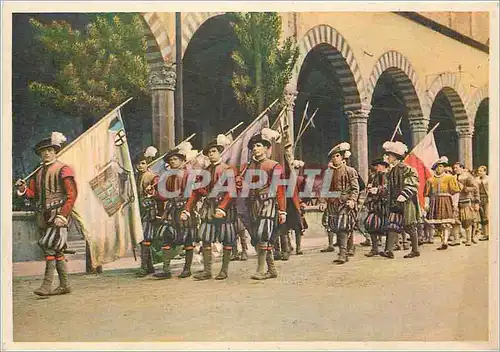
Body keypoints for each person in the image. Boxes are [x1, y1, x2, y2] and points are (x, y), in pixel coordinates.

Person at [15, 132, 77, 296]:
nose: (46, 153)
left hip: (58, 216)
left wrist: (62, 215)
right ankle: (64, 285)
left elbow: (72, 195)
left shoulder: (64, 169)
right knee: (57, 251)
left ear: (55, 151)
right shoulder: (38, 172)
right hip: (44, 217)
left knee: (48, 246)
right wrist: (22, 189)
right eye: (43, 151)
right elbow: (32, 193)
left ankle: (46, 286)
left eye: (49, 150)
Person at [181, 134, 237, 280]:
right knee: (205, 237)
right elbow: (196, 192)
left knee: (227, 238)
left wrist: (222, 208)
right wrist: (187, 209)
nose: (211, 154)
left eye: (214, 152)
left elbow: (232, 192)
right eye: (209, 153)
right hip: (209, 207)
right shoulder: (204, 171)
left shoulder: (228, 169)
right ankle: (207, 271)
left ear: (219, 153)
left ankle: (224, 271)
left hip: (225, 208)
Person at [241, 128, 287, 279]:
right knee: (257, 236)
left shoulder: (274, 166)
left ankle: (261, 270)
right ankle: (272, 270)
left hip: (268, 203)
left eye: (259, 145)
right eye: (253, 146)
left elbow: (280, 190)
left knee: (263, 235)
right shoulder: (248, 167)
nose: (255, 148)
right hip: (253, 205)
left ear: (267, 148)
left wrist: (282, 210)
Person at [154, 142, 199, 279]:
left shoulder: (188, 174)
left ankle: (187, 269)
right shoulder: (167, 175)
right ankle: (166, 269)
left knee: (187, 239)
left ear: (182, 160)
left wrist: (187, 210)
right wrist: (154, 192)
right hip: (171, 209)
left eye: (175, 159)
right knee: (166, 237)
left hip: (184, 208)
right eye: (171, 160)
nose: (173, 162)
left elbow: (192, 194)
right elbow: (164, 194)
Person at [318, 142, 359, 264]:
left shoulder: (350, 171)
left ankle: (342, 253)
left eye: (337, 156)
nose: (334, 159)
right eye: (333, 157)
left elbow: (355, 188)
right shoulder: (328, 172)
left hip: (345, 203)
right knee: (334, 228)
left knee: (343, 228)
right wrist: (322, 201)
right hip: (332, 204)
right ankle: (345, 252)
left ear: (342, 157)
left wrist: (352, 200)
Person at [379, 141, 421, 259]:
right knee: (392, 225)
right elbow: (388, 186)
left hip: (406, 202)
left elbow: (413, 183)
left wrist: (404, 194)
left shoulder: (407, 169)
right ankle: (389, 251)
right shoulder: (391, 171)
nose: (387, 157)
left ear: (395, 156)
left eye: (389, 155)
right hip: (394, 203)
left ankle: (415, 250)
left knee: (410, 225)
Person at [134, 146, 162, 277]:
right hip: (138, 210)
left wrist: (152, 191)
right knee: (141, 238)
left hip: (149, 210)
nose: (140, 166)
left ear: (147, 163)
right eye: (138, 163)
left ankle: (144, 267)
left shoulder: (152, 177)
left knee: (146, 237)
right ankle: (149, 266)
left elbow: (159, 192)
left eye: (143, 163)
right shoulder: (135, 177)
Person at [423, 156, 461, 250]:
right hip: (434, 202)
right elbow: (426, 194)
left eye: (441, 166)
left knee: (446, 222)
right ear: (434, 168)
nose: (439, 168)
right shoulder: (430, 180)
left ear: (444, 167)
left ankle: (445, 241)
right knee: (438, 224)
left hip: (446, 201)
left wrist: (455, 204)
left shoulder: (450, 178)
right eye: (437, 167)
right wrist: (426, 204)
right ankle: (442, 240)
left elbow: (455, 192)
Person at [363, 158, 389, 257]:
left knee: (386, 227)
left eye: (378, 165)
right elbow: (369, 188)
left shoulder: (388, 176)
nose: (376, 167)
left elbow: (388, 188)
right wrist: (369, 189)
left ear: (384, 166)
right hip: (375, 205)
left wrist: (378, 190)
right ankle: (374, 249)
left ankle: (387, 249)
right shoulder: (374, 177)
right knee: (371, 224)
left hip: (385, 205)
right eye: (376, 166)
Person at [452, 162, 480, 246]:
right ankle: (456, 239)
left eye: (456, 168)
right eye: (454, 168)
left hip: (466, 200)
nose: (455, 169)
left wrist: (465, 189)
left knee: (467, 220)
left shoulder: (468, 176)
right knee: (455, 221)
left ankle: (468, 240)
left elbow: (475, 187)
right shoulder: (453, 177)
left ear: (461, 167)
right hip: (455, 202)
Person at [476, 165, 489, 241]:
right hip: (479, 198)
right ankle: (485, 234)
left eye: (481, 171)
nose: (479, 172)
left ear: (485, 171)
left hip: (487, 198)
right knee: (482, 217)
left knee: (487, 216)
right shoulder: (476, 179)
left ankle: (489, 233)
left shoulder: (488, 179)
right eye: (478, 171)